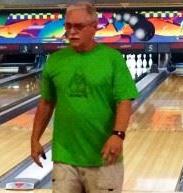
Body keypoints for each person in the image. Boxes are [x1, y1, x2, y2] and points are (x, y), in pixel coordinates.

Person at [31, 1, 139, 193]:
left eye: (79, 26)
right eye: (68, 26)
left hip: (104, 159)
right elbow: (46, 102)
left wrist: (118, 135)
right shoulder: (55, 61)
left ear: (94, 27)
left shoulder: (112, 59)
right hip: (64, 158)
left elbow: (124, 100)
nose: (72, 31)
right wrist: (35, 139)